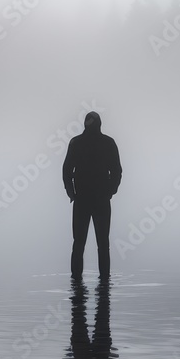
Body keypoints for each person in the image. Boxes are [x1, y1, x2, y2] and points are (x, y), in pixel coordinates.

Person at [62, 111, 122, 279]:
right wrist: (111, 190)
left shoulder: (77, 143)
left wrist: (71, 193)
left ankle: (77, 283)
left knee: (81, 243)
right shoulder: (107, 143)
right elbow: (116, 171)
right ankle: (102, 281)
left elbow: (67, 171)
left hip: (85, 199)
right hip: (96, 199)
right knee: (101, 244)